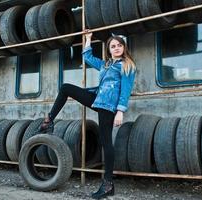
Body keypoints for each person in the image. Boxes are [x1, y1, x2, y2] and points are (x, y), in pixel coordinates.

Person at [37, 30, 136, 199]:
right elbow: (88, 58)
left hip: (109, 107)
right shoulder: (106, 64)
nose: (117, 48)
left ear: (124, 47)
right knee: (66, 88)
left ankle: (108, 184)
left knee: (106, 142)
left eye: (119, 45)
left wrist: (120, 111)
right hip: (97, 99)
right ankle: (49, 120)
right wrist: (88, 39)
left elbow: (126, 90)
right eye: (113, 46)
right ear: (109, 49)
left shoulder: (127, 65)